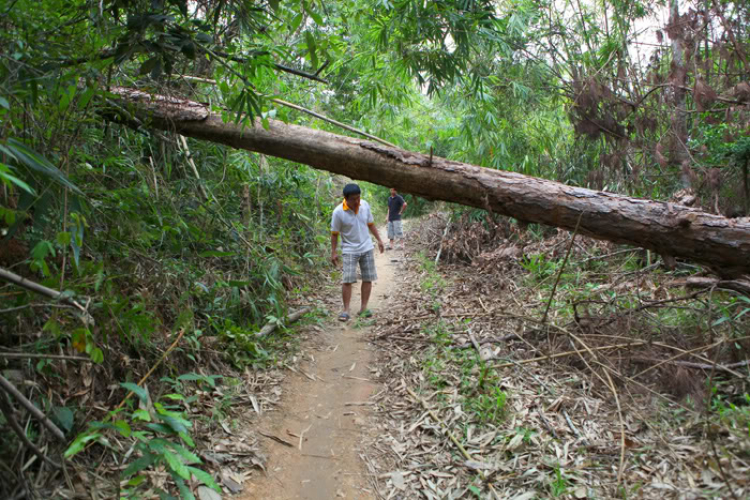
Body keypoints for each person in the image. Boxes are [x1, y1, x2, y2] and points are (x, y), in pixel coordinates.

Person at [331, 183, 385, 321]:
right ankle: (346, 310)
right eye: (353, 199)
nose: (357, 201)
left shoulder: (365, 205)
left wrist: (379, 239)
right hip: (349, 249)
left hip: (366, 247)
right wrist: (333, 252)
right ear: (346, 198)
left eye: (358, 198)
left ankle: (363, 308)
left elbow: (370, 224)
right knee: (347, 280)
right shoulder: (338, 212)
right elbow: (334, 234)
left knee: (368, 278)